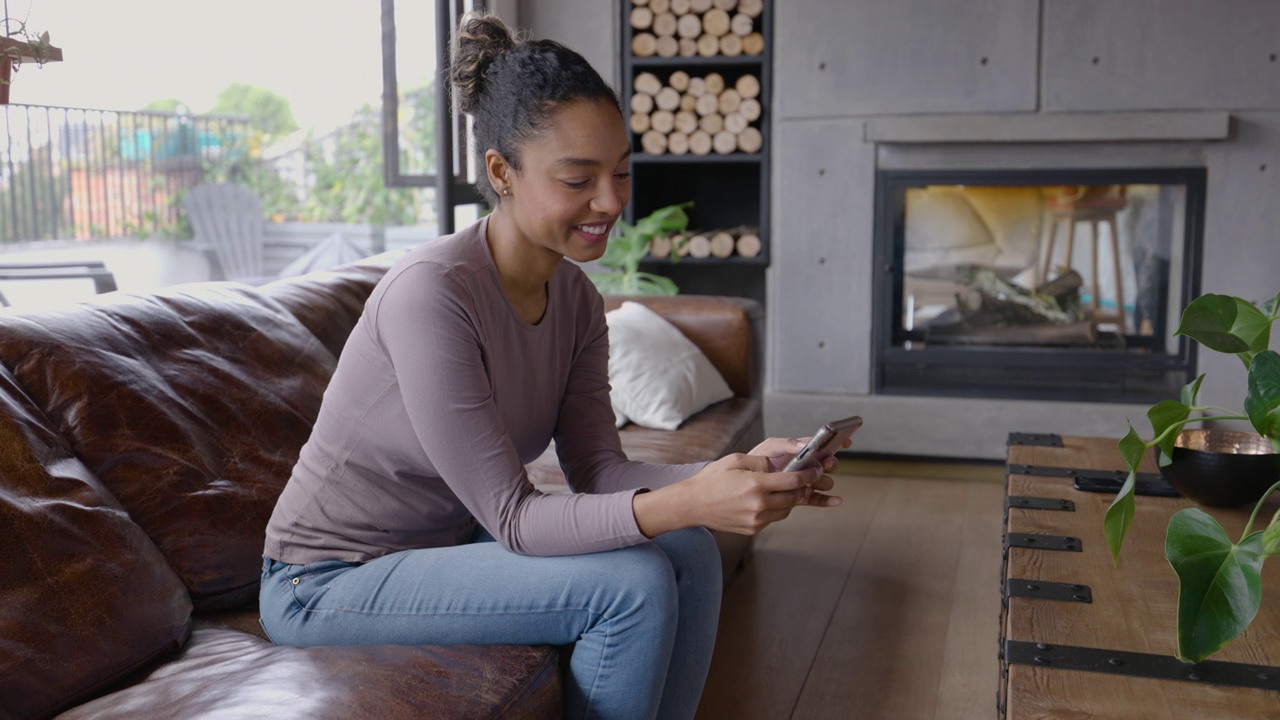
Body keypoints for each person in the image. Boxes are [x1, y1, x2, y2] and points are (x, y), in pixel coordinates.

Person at [259, 11, 843, 720]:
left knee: (687, 547)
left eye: (622, 172)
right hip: (326, 581)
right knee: (632, 585)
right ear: (501, 171)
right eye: (579, 180)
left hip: (446, 537)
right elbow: (513, 518)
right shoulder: (432, 297)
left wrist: (735, 474)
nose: (612, 201)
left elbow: (600, 470)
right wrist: (692, 498)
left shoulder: (574, 298)